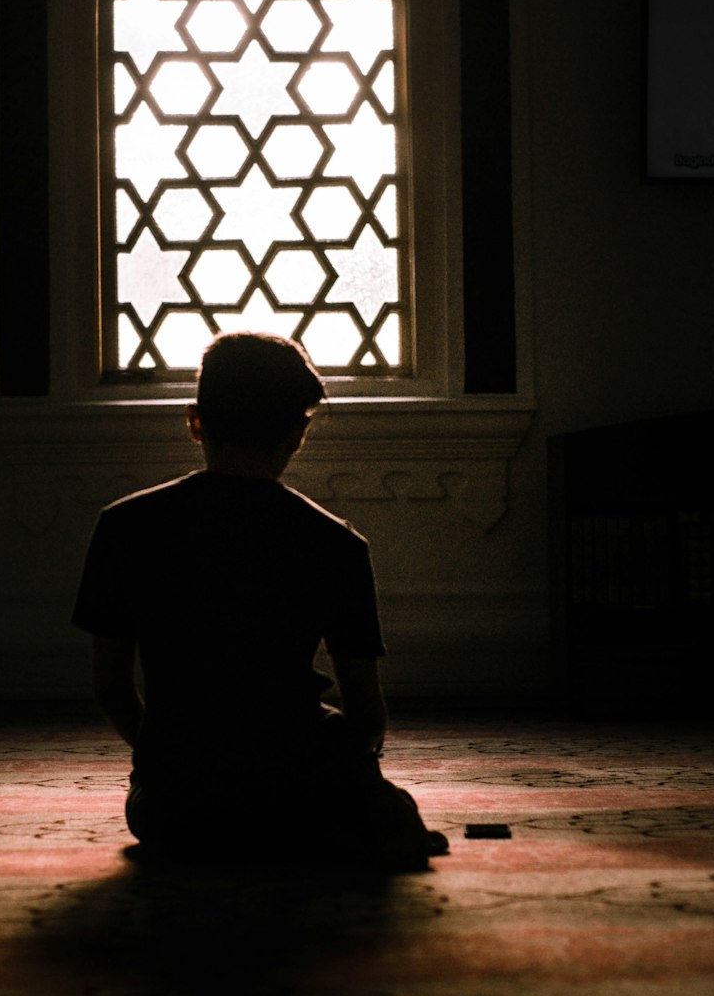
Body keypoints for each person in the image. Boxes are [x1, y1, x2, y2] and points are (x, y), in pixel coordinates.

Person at [72, 331, 447, 870]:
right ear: (299, 432)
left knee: (169, 816)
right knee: (378, 805)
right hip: (298, 771)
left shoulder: (124, 526)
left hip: (177, 799)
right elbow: (367, 718)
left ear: (195, 420)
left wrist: (169, 754)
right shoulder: (337, 543)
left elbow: (112, 690)